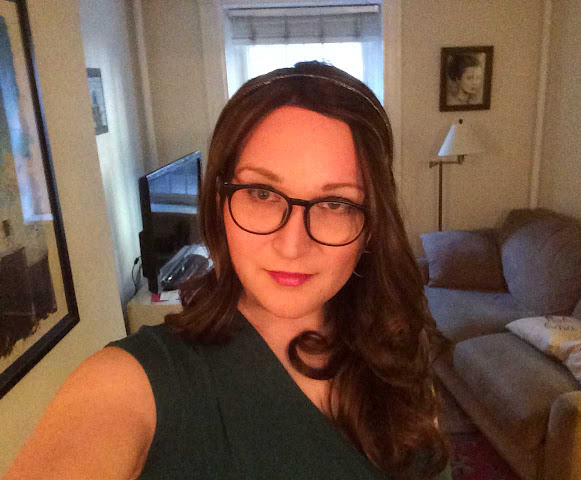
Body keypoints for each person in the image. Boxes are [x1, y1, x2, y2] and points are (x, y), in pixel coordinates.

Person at [4, 62, 451, 479]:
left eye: (335, 203)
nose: (292, 245)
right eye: (262, 194)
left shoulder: (396, 349)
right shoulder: (130, 382)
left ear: (371, 225)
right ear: (220, 204)